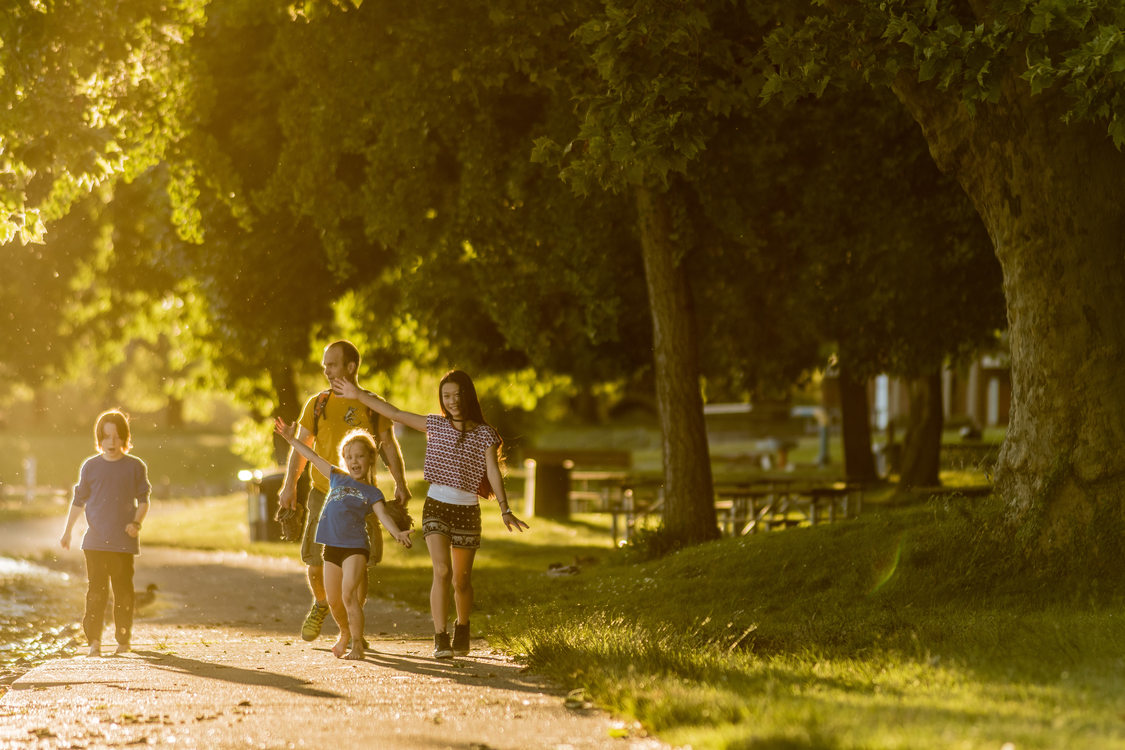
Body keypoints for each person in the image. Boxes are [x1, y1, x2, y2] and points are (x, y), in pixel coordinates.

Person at [332, 370, 529, 659]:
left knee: (461, 580)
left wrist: (505, 508)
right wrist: (358, 394)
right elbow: (395, 413)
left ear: (468, 396)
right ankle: (441, 636)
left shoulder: (484, 434)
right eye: (446, 396)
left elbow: (492, 471)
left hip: (467, 510)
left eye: (458, 395)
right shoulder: (435, 425)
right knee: (442, 570)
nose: (452, 401)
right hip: (436, 506)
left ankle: (462, 625)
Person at [278, 340, 411, 643]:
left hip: (362, 498)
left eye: (332, 364)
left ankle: (352, 630)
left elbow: (388, 444)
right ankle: (324, 603)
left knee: (359, 567)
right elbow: (302, 449)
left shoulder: (370, 402)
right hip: (322, 493)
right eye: (324, 365)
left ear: (350, 367)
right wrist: (289, 486)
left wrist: (400, 482)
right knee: (314, 565)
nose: (326, 370)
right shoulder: (317, 403)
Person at [274, 419, 413, 659]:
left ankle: (357, 645)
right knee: (334, 601)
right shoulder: (337, 477)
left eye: (359, 456)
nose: (354, 461)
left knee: (349, 595)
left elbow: (382, 515)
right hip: (331, 547)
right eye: (349, 457)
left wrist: (397, 533)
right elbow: (312, 455)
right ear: (344, 460)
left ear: (370, 459)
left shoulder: (372, 492)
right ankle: (345, 633)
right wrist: (291, 439)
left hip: (355, 548)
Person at [59, 409, 152, 656]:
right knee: (96, 593)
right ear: (99, 438)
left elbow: (144, 501)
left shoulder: (134, 467)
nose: (111, 442)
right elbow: (78, 502)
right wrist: (67, 531)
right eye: (106, 436)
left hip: (123, 543)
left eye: (116, 436)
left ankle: (123, 640)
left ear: (124, 438)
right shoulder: (90, 467)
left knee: (123, 592)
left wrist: (136, 523)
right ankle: (94, 642)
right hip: (95, 542)